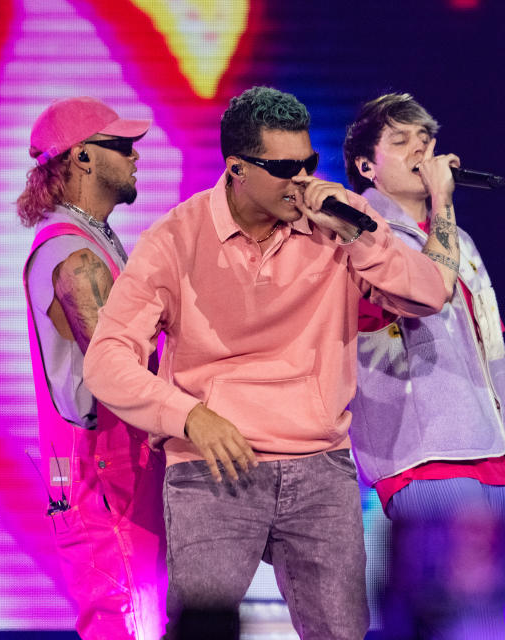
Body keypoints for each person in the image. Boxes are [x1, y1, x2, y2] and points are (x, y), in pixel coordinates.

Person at [82, 86, 459, 639]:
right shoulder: (175, 238)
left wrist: (356, 234)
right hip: (213, 466)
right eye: (284, 168)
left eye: (308, 163)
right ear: (236, 168)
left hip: (319, 466)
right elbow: (106, 360)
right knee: (202, 632)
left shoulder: (340, 222)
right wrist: (189, 416)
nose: (302, 180)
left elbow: (428, 294)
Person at [343, 93, 505, 638]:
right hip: (428, 454)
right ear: (365, 165)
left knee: (503, 624)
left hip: (496, 452)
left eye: (426, 141)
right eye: (401, 142)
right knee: (461, 624)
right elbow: (424, 292)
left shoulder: (460, 241)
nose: (421, 152)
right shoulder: (362, 230)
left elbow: (483, 340)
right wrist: (443, 207)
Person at [19, 96, 167, 640]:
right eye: (123, 146)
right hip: (103, 474)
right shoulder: (73, 255)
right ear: (82, 157)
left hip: (116, 471)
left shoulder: (91, 242)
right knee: (125, 624)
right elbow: (122, 372)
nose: (136, 157)